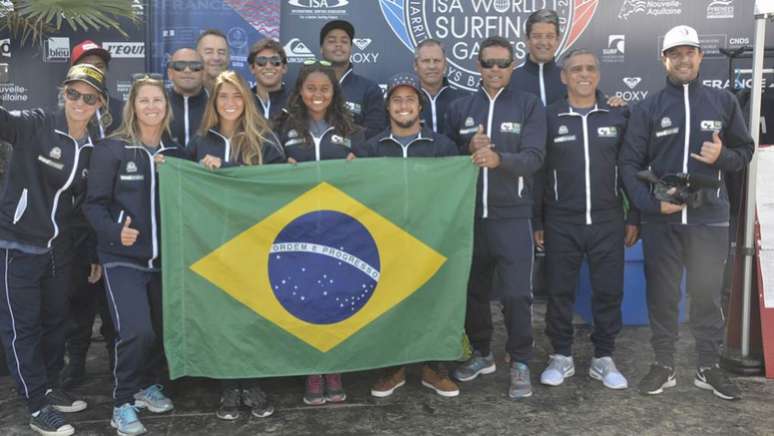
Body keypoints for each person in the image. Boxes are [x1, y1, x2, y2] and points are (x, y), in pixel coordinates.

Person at [619, 25, 754, 400]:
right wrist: (650, 204)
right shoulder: (648, 107)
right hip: (662, 220)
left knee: (707, 295)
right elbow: (629, 163)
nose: (683, 59)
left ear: (699, 56)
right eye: (675, 53)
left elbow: (745, 152)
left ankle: (707, 367)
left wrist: (721, 157)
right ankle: (664, 365)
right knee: (662, 297)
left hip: (709, 220)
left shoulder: (723, 101)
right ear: (664, 59)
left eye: (689, 52)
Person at [0, 63, 107, 436]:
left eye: (88, 97)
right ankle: (35, 404)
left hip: (59, 251)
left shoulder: (94, 147)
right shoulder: (37, 123)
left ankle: (47, 387)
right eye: (73, 93)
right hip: (19, 243)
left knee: (54, 324)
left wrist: (92, 253)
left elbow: (89, 207)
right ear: (63, 93)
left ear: (100, 104)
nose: (79, 101)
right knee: (22, 327)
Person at [444, 36, 546, 399]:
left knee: (517, 295)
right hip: (470, 217)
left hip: (513, 216)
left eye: (503, 63)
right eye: (488, 63)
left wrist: (500, 159)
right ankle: (482, 353)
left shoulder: (529, 105)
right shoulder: (460, 107)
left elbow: (535, 157)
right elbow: (445, 159)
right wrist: (465, 149)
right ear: (478, 65)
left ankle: (520, 362)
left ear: (513, 65)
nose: (495, 70)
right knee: (473, 292)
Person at [85, 74, 183, 435]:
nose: (152, 107)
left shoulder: (175, 152)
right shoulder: (112, 148)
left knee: (157, 331)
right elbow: (93, 205)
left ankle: (145, 387)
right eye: (144, 101)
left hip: (163, 262)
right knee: (136, 330)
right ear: (133, 106)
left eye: (158, 101)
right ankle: (122, 402)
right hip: (121, 258)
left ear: (166, 107)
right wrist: (114, 231)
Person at [534, 49, 638, 390]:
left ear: (598, 75)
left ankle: (603, 358)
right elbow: (538, 174)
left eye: (590, 68)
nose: (583, 74)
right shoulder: (549, 117)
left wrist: (634, 215)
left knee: (609, 291)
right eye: (575, 69)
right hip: (562, 221)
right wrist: (538, 221)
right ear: (563, 77)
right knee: (560, 291)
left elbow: (631, 172)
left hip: (608, 220)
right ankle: (561, 355)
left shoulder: (617, 116)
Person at [186, 70, 283, 420]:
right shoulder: (200, 141)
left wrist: (225, 168)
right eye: (223, 96)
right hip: (213, 243)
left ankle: (254, 382)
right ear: (214, 102)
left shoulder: (265, 140)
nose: (230, 103)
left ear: (247, 100)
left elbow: (276, 188)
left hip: (257, 243)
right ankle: (229, 385)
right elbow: (185, 187)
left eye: (237, 96)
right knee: (223, 316)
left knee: (253, 315)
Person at [360, 72, 460, 398]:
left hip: (431, 238)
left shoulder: (441, 146)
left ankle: (432, 368)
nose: (404, 106)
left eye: (410, 100)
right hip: (384, 240)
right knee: (390, 304)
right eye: (397, 100)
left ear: (420, 107)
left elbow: (455, 190)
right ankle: (393, 369)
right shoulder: (372, 147)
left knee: (432, 303)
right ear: (388, 107)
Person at [275, 60, 365, 404]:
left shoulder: (352, 129)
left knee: (336, 299)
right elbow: (266, 166)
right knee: (306, 299)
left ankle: (335, 367)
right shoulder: (282, 127)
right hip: (298, 229)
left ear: (334, 92)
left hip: (340, 229)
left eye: (324, 88)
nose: (317, 94)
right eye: (311, 88)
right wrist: (280, 168)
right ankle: (313, 369)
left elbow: (372, 174)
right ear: (300, 91)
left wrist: (360, 164)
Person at [60, 41, 124, 389]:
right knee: (79, 303)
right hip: (74, 226)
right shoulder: (62, 112)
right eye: (87, 62)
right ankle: (76, 365)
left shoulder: (118, 110)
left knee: (112, 307)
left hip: (112, 219)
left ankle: (120, 370)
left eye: (100, 63)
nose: (95, 67)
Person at [319, 19, 386, 139]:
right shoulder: (307, 86)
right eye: (332, 41)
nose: (338, 44)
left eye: (344, 41)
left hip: (354, 156)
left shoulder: (369, 88)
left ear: (351, 48)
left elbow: (376, 132)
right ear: (321, 49)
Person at [509, 9, 565, 106]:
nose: (543, 42)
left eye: (549, 36)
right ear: (527, 39)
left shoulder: (570, 79)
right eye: (537, 36)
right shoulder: (510, 80)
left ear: (557, 40)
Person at [413, 39, 467, 134]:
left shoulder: (463, 100)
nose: (432, 66)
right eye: (426, 61)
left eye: (437, 60)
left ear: (445, 65)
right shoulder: (407, 102)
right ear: (416, 66)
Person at [167, 48, 208, 147]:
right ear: (170, 73)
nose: (187, 70)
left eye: (195, 66)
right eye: (179, 66)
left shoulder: (217, 106)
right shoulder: (157, 106)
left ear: (204, 73)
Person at [248, 38, 290, 122]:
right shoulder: (243, 101)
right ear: (252, 68)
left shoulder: (296, 102)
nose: (268, 66)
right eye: (261, 61)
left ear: (284, 68)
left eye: (275, 61)